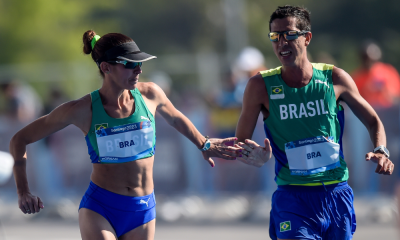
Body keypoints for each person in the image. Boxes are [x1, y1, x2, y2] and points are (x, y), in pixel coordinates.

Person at [10, 30, 239, 240]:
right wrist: (23, 192)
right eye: (130, 64)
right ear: (106, 67)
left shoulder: (150, 94)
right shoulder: (82, 109)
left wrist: (204, 143)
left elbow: (176, 117)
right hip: (100, 208)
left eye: (140, 63)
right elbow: (19, 139)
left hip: (143, 210)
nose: (138, 69)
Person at [233, 5, 394, 240]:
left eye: (289, 34)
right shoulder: (260, 86)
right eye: (275, 36)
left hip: (336, 193)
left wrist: (381, 149)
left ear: (307, 37)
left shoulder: (335, 78)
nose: (281, 42)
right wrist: (257, 156)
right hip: (293, 197)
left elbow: (373, 120)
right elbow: (241, 142)